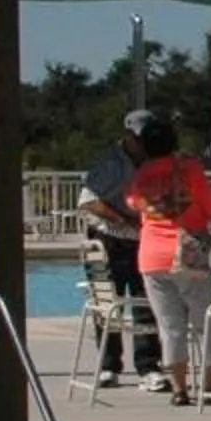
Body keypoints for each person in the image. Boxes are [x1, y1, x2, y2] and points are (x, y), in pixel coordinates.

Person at [124, 115, 211, 403]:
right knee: (204, 318)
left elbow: (132, 202)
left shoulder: (141, 175)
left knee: (170, 325)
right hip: (189, 250)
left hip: (152, 255)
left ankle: (180, 388)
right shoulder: (189, 168)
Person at [75, 110, 163, 381]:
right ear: (128, 136)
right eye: (140, 139)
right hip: (107, 239)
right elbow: (88, 201)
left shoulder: (155, 160)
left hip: (143, 240)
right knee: (106, 302)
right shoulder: (109, 162)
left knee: (146, 302)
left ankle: (149, 366)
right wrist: (126, 221)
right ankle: (109, 366)